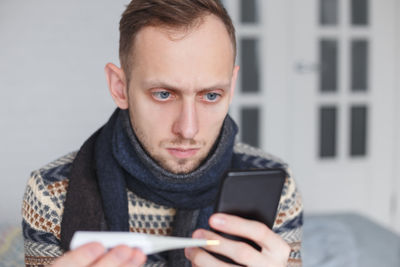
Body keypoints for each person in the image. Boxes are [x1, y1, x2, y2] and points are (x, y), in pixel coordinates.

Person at [21, 0, 303, 266]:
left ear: (231, 87)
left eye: (211, 95)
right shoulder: (52, 193)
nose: (188, 129)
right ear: (120, 88)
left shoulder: (274, 186)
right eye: (164, 94)